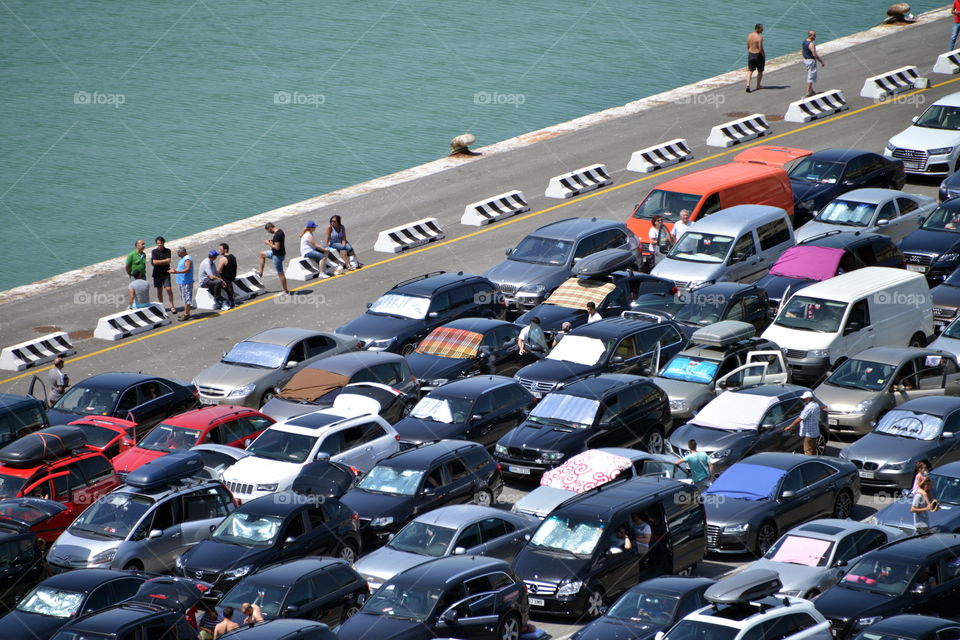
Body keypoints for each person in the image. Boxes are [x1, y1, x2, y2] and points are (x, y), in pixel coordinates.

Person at [257, 222, 290, 295]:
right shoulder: (280, 231)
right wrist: (272, 241)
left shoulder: (277, 235)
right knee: (261, 254)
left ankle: (285, 291)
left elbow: (277, 247)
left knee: (280, 274)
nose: (268, 232)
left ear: (269, 228)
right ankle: (260, 273)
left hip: (277, 256)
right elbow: (277, 243)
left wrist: (268, 243)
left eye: (268, 231)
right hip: (276, 253)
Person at [785, 390, 820, 455]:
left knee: (808, 451)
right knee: (813, 450)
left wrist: (790, 426)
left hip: (808, 433)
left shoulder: (809, 407)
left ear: (809, 398)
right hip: (814, 432)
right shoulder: (816, 405)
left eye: (805, 399)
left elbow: (800, 419)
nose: (804, 400)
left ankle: (809, 464)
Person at [168, 246, 195, 321]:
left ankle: (186, 314)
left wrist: (176, 272)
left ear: (183, 252)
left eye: (179, 252)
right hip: (182, 281)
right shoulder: (183, 259)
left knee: (186, 298)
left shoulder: (187, 259)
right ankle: (186, 313)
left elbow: (187, 269)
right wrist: (175, 270)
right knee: (184, 297)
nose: (177, 254)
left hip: (186, 282)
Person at [151, 236, 175, 313]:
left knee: (169, 289)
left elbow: (169, 261)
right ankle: (162, 306)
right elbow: (154, 262)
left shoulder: (167, 250)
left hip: (166, 273)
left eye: (161, 243)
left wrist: (159, 262)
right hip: (157, 273)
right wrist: (164, 261)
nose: (160, 245)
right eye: (158, 243)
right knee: (159, 290)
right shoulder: (154, 251)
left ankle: (172, 306)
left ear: (163, 243)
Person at [802, 30, 825, 97]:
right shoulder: (811, 44)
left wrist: (804, 57)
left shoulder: (804, 41)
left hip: (806, 60)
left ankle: (811, 90)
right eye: (814, 35)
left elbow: (802, 50)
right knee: (811, 76)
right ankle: (808, 91)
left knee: (810, 74)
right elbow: (814, 54)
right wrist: (821, 61)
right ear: (810, 35)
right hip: (811, 61)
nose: (815, 36)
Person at [217, 243, 237, 310]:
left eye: (220, 249)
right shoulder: (232, 256)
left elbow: (218, 272)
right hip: (232, 278)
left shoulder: (223, 259)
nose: (219, 251)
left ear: (225, 250)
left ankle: (219, 300)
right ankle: (231, 301)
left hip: (226, 279)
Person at [746, 24, 765, 93]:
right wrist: (763, 56)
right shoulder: (759, 37)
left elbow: (747, 46)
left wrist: (750, 52)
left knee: (750, 70)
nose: (762, 30)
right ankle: (758, 85)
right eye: (761, 28)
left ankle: (748, 85)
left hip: (750, 54)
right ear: (758, 29)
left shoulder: (749, 35)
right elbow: (760, 48)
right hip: (758, 55)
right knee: (760, 71)